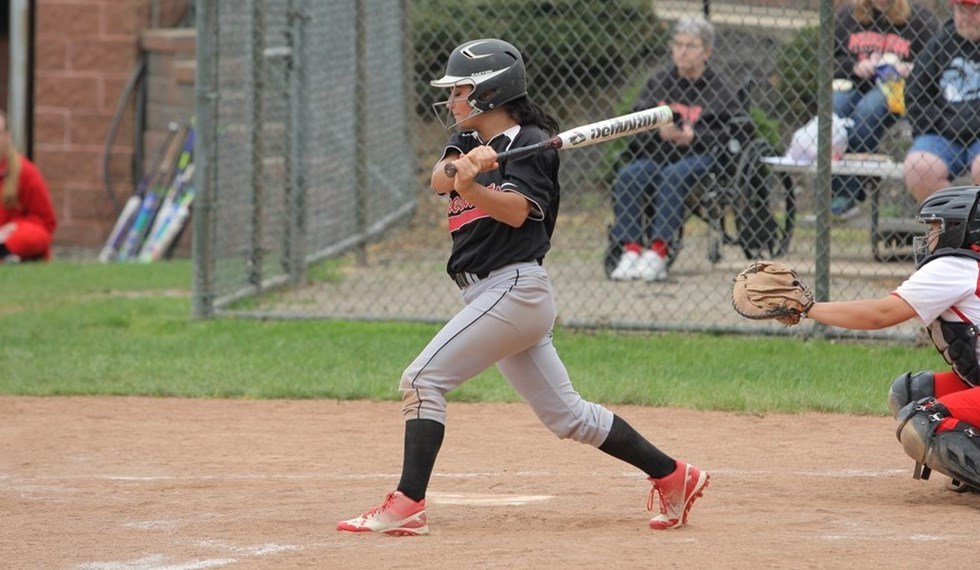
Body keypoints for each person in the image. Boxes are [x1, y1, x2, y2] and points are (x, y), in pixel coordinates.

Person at [336, 38, 709, 536]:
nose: (451, 102)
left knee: (422, 381)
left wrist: (473, 186)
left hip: (513, 288)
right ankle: (674, 475)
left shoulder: (533, 146)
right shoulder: (471, 140)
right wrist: (464, 169)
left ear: (490, 92)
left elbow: (514, 212)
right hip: (492, 295)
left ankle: (408, 504)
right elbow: (437, 178)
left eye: (460, 91)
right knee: (568, 417)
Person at [801, 184, 980, 492]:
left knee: (925, 422)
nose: (929, 236)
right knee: (912, 391)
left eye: (936, 226)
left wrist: (808, 309)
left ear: (959, 229)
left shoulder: (955, 267)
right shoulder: (967, 266)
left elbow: (880, 314)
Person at [608, 17, 743, 282]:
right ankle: (631, 250)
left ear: (706, 52)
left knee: (674, 175)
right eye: (678, 44)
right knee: (629, 175)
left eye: (691, 46)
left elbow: (735, 130)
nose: (682, 51)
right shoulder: (659, 81)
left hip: (700, 157)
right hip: (658, 155)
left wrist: (694, 136)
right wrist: (658, 131)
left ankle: (658, 253)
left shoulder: (720, 88)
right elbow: (636, 119)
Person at [830, 0, 939, 219]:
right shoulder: (847, 17)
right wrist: (854, 66)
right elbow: (830, 60)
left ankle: (850, 191)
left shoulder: (920, 20)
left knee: (867, 111)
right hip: (854, 84)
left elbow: (933, 60)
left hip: (894, 90)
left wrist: (909, 69)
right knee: (835, 106)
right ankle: (842, 188)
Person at [903, 0, 980, 204]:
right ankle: (951, 227)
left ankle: (975, 231)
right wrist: (941, 122)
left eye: (976, 10)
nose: (967, 17)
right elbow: (914, 92)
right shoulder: (939, 44)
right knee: (917, 169)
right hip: (942, 134)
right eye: (962, 10)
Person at [0, 110, 57, 263]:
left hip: (11, 239)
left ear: (7, 137)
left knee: (35, 234)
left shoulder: (25, 171)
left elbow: (46, 223)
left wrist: (14, 229)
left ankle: (6, 254)